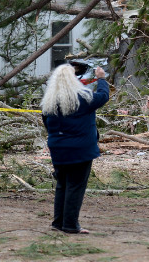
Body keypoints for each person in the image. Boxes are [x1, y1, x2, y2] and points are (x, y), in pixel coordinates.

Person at [40, 64, 109, 234]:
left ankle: (58, 222)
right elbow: (102, 97)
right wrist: (101, 79)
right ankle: (70, 224)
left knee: (62, 185)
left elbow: (46, 124)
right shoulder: (83, 98)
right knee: (75, 186)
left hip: (58, 148)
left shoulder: (49, 102)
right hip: (80, 149)